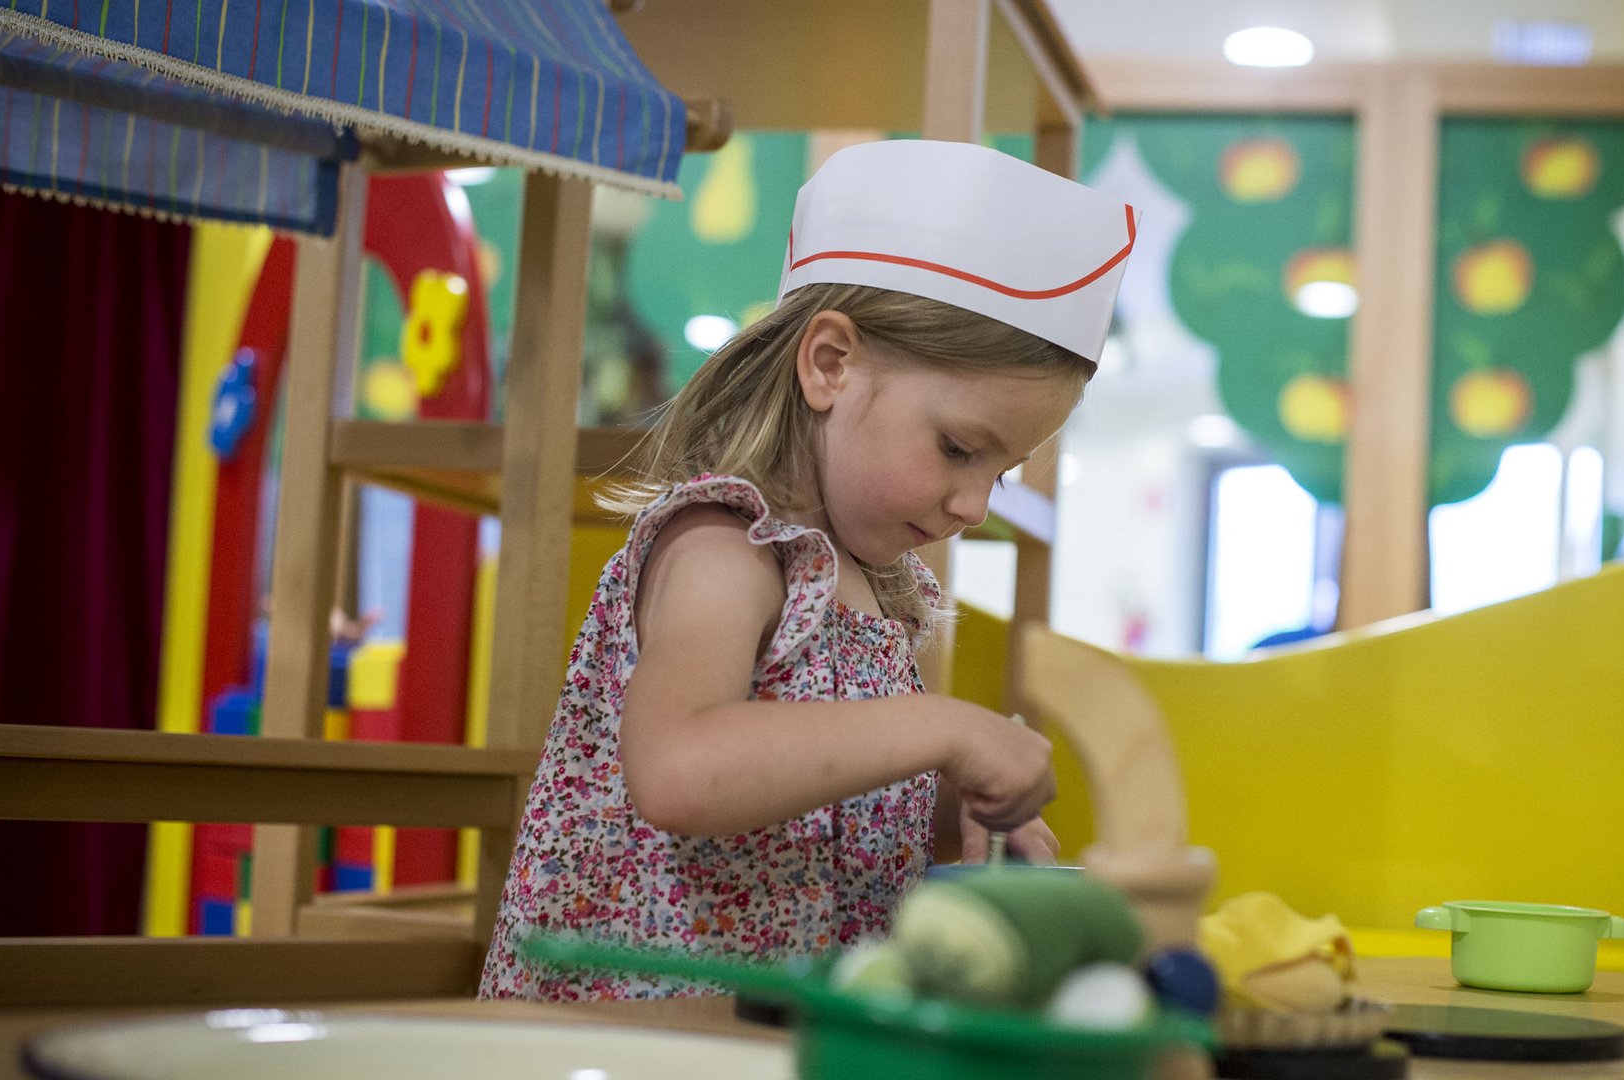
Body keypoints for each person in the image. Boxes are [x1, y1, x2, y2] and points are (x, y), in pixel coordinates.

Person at [479, 139, 1136, 1000]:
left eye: (1000, 473)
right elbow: (680, 772)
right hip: (631, 1041)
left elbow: (819, 805)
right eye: (958, 449)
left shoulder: (872, 595)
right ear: (830, 364)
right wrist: (947, 730)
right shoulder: (728, 548)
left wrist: (951, 807)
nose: (974, 505)